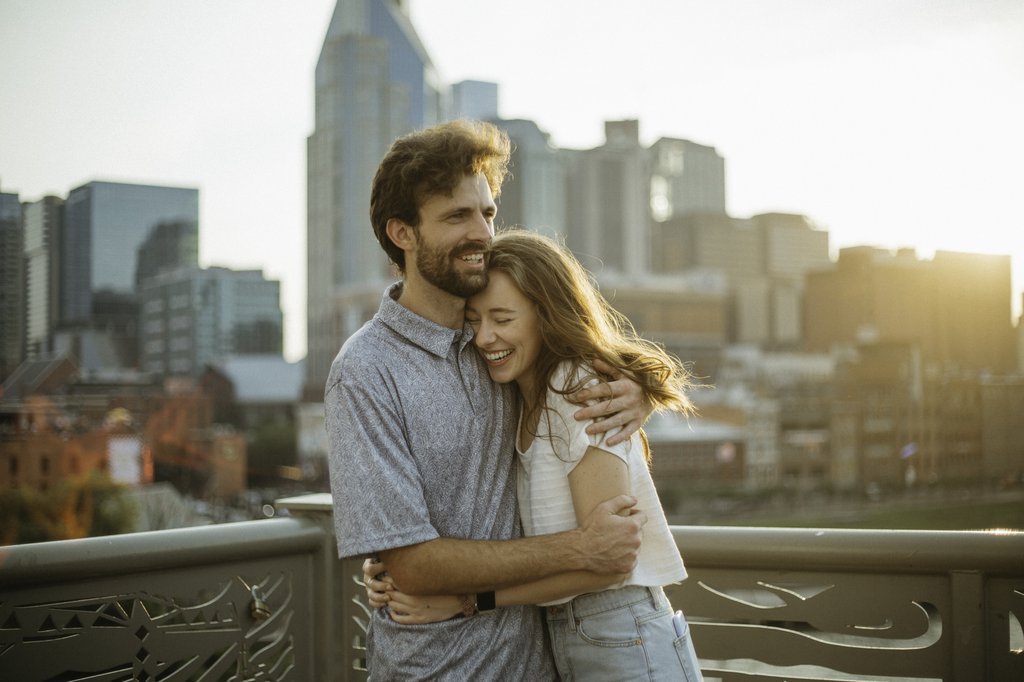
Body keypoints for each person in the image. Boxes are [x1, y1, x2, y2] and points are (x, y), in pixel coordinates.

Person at [325, 120, 656, 680]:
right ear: (403, 233)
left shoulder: (503, 349)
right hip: (433, 671)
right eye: (457, 216)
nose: (482, 231)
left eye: (488, 212)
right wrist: (580, 547)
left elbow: (588, 353)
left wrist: (640, 389)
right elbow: (413, 564)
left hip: (541, 664)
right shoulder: (364, 374)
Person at [364, 229, 703, 681]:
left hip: (622, 634)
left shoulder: (578, 389)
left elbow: (610, 562)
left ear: (546, 316)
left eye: (503, 318)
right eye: (474, 319)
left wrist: (469, 602)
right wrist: (398, 564)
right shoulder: (516, 398)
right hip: (571, 635)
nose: (485, 338)